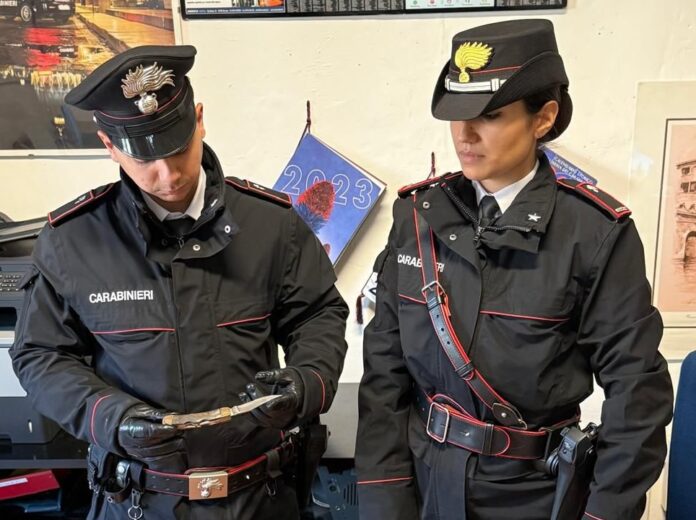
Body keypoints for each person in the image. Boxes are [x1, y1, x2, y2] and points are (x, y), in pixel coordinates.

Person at [11, 45, 348, 520]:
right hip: (138, 501)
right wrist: (111, 418)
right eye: (144, 158)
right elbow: (40, 355)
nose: (168, 174)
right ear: (109, 145)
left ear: (200, 120)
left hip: (261, 498)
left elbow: (318, 315)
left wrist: (306, 383)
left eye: (177, 147)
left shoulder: (271, 224)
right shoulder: (73, 241)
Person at [355, 19, 673, 520]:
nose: (465, 134)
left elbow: (638, 396)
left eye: (490, 115)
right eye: (457, 115)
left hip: (534, 496)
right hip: (426, 485)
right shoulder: (417, 218)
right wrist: (383, 498)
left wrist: (603, 513)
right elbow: (384, 375)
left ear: (543, 118)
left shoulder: (593, 234)